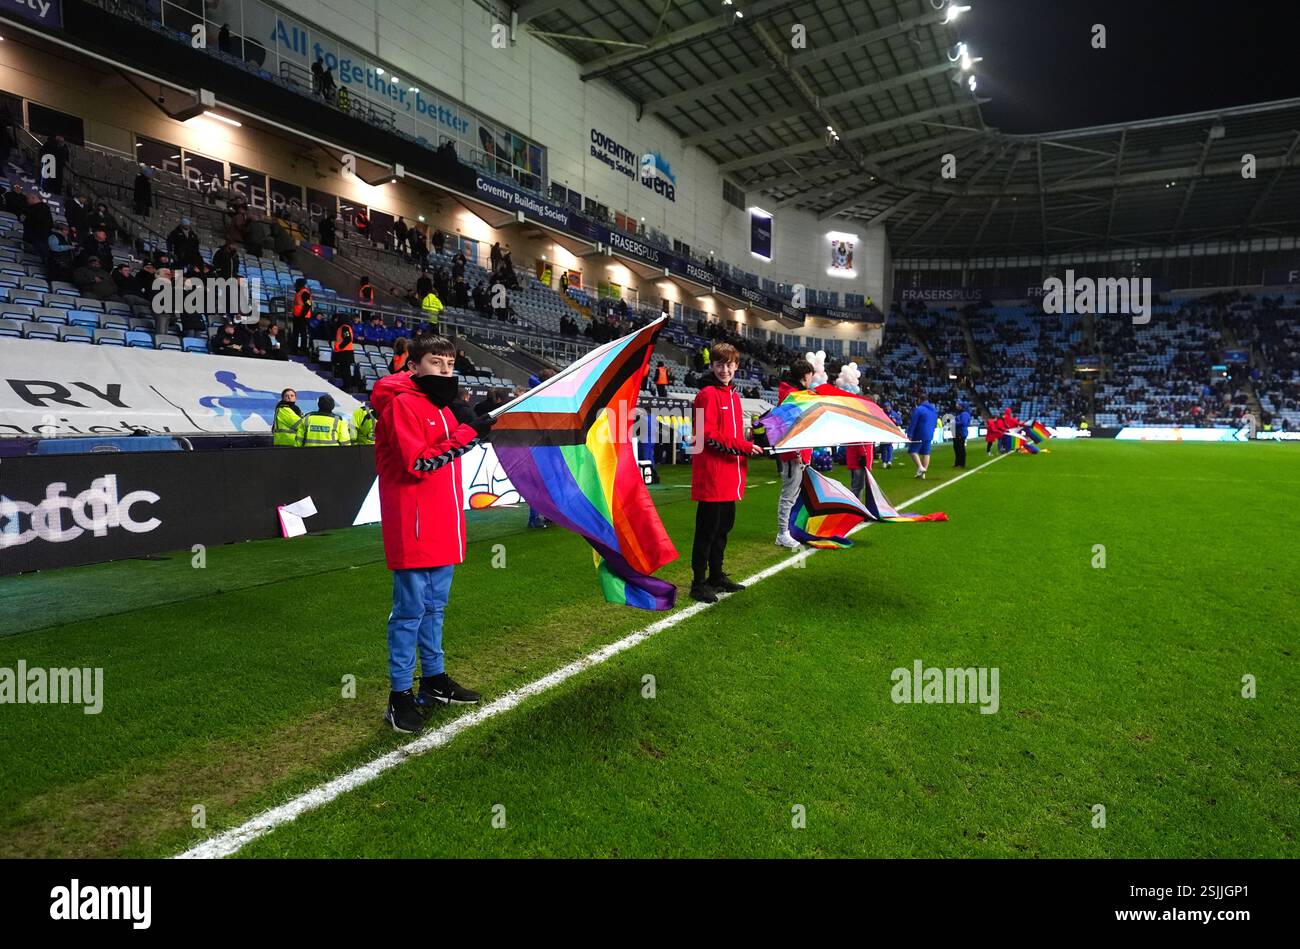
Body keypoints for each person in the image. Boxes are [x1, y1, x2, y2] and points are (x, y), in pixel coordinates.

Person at [371, 333, 494, 731]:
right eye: (435, 363)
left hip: (444, 524)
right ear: (413, 366)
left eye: (449, 364)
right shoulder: (402, 405)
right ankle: (399, 695)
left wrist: (471, 426)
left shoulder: (440, 406)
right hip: (414, 525)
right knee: (409, 612)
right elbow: (418, 464)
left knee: (435, 608)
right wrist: (468, 434)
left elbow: (449, 448)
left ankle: (435, 680)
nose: (444, 370)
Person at [689, 342, 763, 603]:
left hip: (731, 475)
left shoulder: (734, 396)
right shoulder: (707, 394)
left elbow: (730, 435)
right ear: (712, 365)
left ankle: (716, 575)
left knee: (723, 529)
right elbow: (706, 435)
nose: (724, 369)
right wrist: (743, 446)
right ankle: (698, 583)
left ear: (736, 366)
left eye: (729, 364)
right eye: (719, 364)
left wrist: (752, 439)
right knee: (707, 531)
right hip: (712, 475)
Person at [773, 359, 814, 549]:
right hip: (793, 454)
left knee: (795, 494)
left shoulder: (795, 394)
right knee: (789, 494)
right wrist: (797, 451)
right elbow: (791, 426)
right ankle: (782, 533)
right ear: (805, 376)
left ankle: (789, 529)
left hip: (798, 451)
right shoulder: (792, 396)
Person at [907, 397, 938, 479]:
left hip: (919, 433)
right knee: (926, 453)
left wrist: (909, 434)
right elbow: (935, 422)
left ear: (920, 400)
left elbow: (913, 422)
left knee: (912, 451)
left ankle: (920, 467)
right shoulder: (933, 410)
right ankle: (923, 474)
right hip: (930, 433)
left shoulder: (919, 409)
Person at [332, 313, 357, 390]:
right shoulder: (346, 327)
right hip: (346, 352)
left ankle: (347, 386)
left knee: (345, 370)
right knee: (345, 370)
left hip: (345, 352)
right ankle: (346, 386)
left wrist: (340, 346)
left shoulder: (344, 327)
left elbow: (348, 339)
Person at [291, 277, 313, 354]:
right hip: (297, 316)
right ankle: (294, 349)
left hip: (303, 317)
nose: (294, 285)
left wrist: (302, 316)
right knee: (295, 333)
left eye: (296, 283)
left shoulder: (304, 293)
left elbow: (308, 304)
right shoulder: (298, 292)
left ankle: (303, 350)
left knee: (303, 333)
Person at [878, 402, 901, 468]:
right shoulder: (881, 413)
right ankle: (885, 461)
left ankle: (888, 461)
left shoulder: (893, 413)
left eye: (888, 406)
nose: (887, 408)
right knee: (884, 446)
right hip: (883, 431)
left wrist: (895, 421)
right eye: (885, 406)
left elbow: (899, 422)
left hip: (891, 431)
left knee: (889, 446)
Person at [952, 402, 971, 468]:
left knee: (960, 448)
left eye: (959, 405)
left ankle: (961, 464)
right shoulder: (961, 414)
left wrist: (954, 423)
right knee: (956, 448)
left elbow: (964, 423)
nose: (957, 406)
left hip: (961, 433)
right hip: (957, 432)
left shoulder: (964, 414)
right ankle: (957, 463)